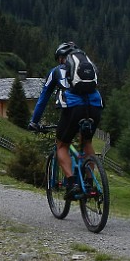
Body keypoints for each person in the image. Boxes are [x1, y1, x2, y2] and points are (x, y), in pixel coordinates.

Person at [28, 41, 104, 197]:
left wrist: (34, 122)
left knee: (62, 145)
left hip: (74, 108)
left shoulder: (56, 72)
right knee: (87, 142)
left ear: (61, 58)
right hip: (95, 107)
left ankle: (71, 183)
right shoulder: (87, 69)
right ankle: (90, 184)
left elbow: (43, 99)